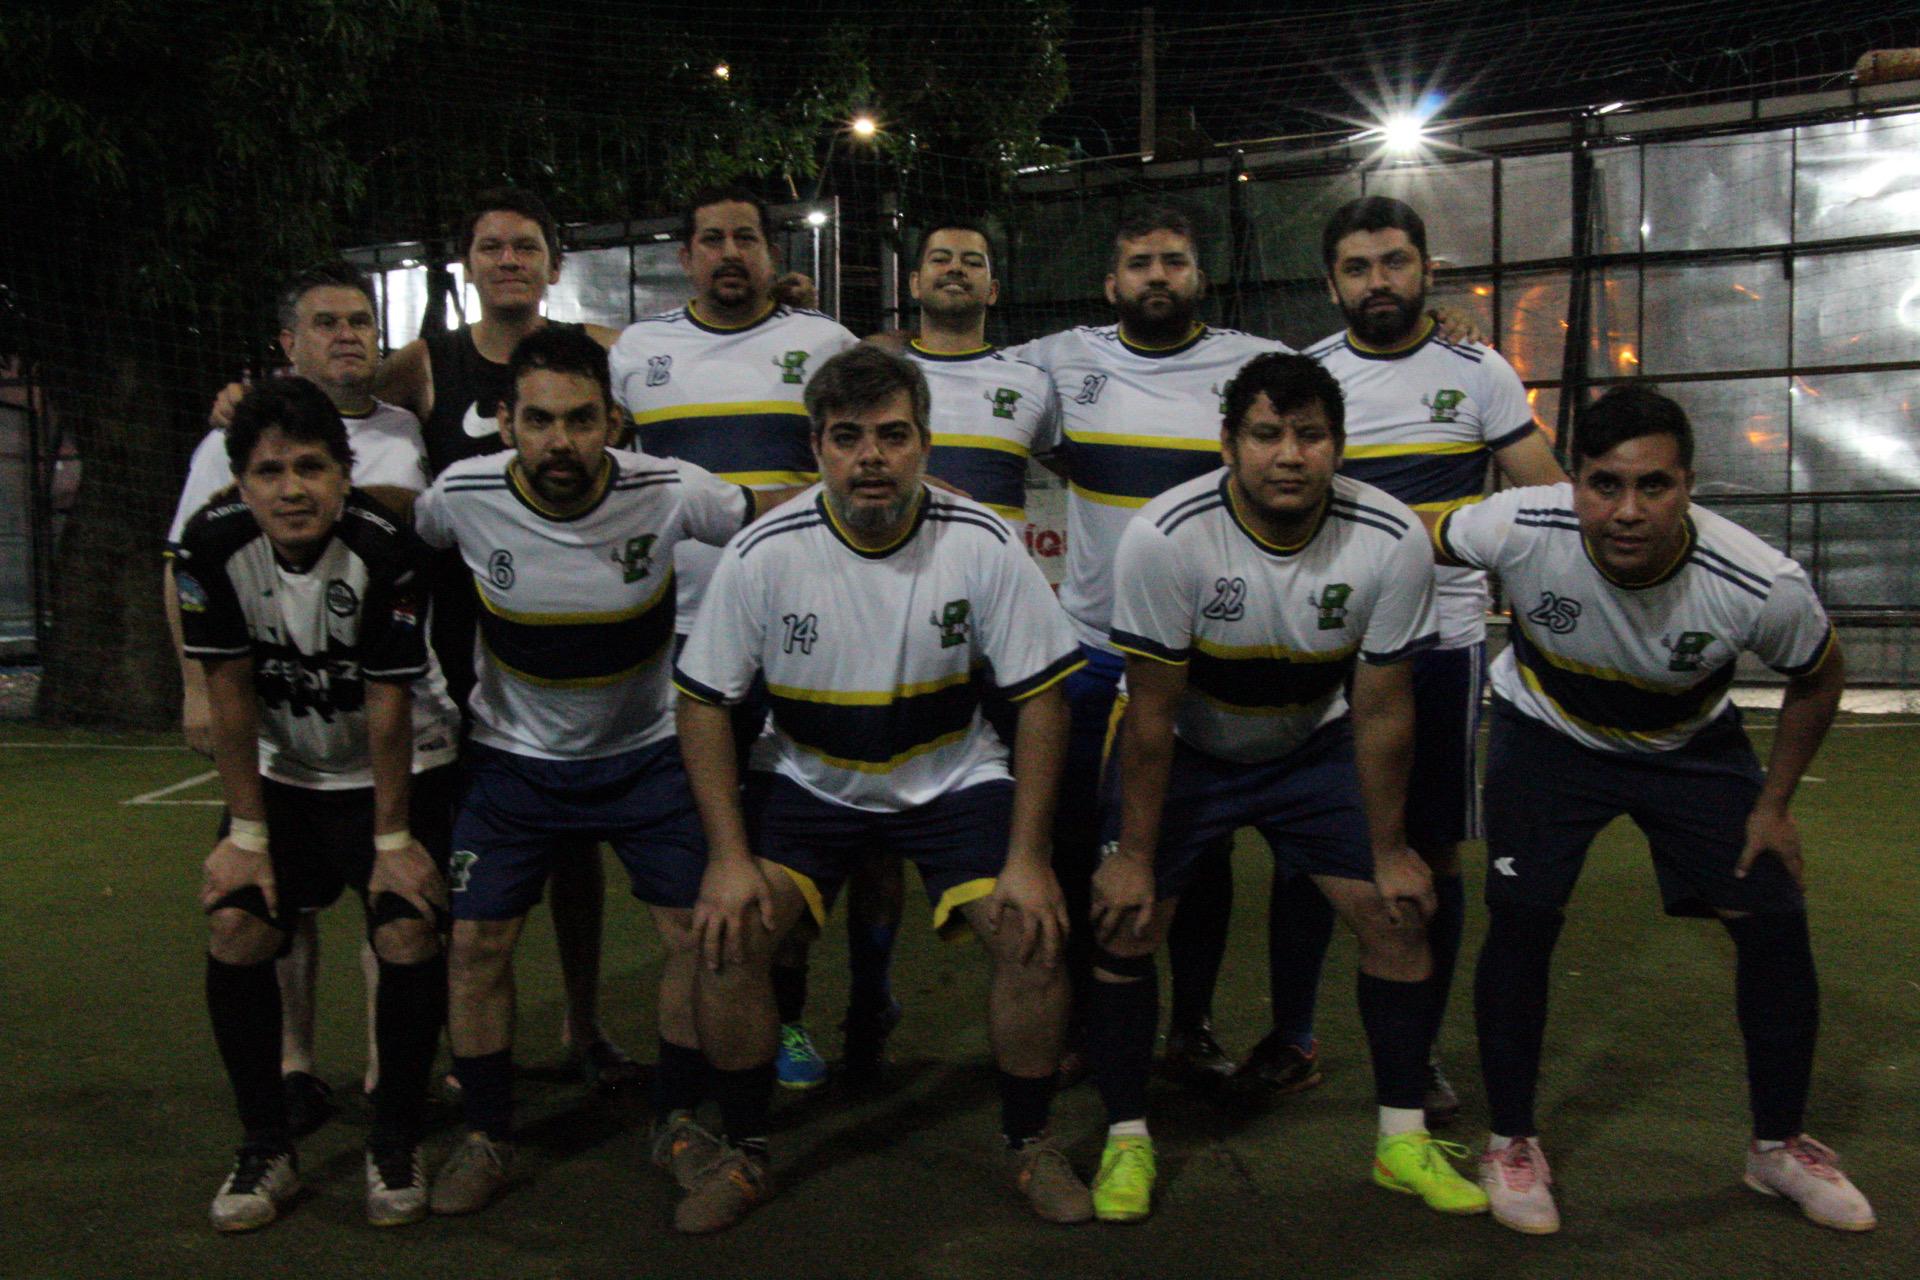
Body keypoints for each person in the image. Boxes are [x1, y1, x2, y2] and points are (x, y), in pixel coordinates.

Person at [210, 191, 640, 1088]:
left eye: (526, 246)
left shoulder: (600, 351)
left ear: (553, 263)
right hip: (447, 638)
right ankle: (443, 1042)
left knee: (573, 850)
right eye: (491, 246)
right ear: (468, 265)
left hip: (562, 624)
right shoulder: (427, 362)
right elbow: (336, 401)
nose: (509, 260)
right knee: (455, 860)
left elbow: (679, 370)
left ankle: (582, 1023)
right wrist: (252, 401)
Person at [1427, 385, 1873, 1235]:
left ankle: (1777, 1147)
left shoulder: (1758, 581)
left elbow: (1819, 675)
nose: (1627, 511)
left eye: (1654, 486)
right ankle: (1511, 1140)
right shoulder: (1518, 524)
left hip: (1688, 746)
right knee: (1521, 917)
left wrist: (1774, 806)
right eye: (1604, 485)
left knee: (1775, 920)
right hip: (1548, 734)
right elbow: (1406, 535)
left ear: (1688, 486)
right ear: (1574, 484)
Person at [671, 344, 1089, 1234]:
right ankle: (744, 1149)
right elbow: (703, 703)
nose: (871, 456)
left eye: (893, 436)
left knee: (1033, 935)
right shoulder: (762, 552)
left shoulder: (982, 541)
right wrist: (727, 858)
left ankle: (1030, 1142)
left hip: (949, 772)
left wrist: (1030, 858)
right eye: (848, 436)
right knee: (727, 938)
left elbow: (1043, 700)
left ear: (925, 444)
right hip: (809, 776)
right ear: (816, 447)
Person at [1086, 352, 1487, 1222]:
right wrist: (1135, 858)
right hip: (1191, 746)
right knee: (1127, 920)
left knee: (1398, 914)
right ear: (1228, 443)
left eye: (1310, 435)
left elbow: (1383, 710)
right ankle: (1125, 1141)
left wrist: (1390, 850)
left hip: (1310, 742)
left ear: (1339, 445)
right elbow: (1150, 717)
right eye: (1267, 434)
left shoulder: (1390, 537)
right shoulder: (1165, 535)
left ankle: (1402, 1141)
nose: (1290, 455)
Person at [410, 326, 795, 1217]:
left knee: (700, 937)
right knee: (474, 945)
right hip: (514, 760)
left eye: (581, 420)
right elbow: (400, 527)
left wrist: (876, 489)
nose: (561, 441)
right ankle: (488, 1133)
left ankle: (677, 1119)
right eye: (540, 420)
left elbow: (769, 510)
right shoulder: (463, 494)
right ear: (505, 421)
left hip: (647, 756)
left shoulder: (669, 488)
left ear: (613, 422)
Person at [1257, 197, 1568, 1118]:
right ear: (1332, 283)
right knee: (1303, 848)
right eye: (1357, 267)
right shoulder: (1311, 376)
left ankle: (1418, 1050)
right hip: (1324, 642)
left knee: (1431, 851)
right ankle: (1292, 1038)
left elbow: (1548, 500)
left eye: (1394, 261)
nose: (1378, 281)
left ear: (1427, 270)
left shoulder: (1479, 370)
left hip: (1439, 645)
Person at [1004, 205, 1291, 1088]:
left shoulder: (1250, 364)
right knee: (1078, 845)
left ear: (1199, 278)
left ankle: (1191, 1026)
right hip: (1095, 650)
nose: (1157, 276)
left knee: (1200, 848)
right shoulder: (1062, 357)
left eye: (1173, 260)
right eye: (1139, 263)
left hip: (1206, 654)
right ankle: (1084, 1018)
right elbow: (958, 363)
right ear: (1111, 283)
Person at [174, 378, 459, 1231]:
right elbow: (228, 692)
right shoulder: (210, 546)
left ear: (343, 473)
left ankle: (395, 1138)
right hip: (287, 771)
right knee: (237, 925)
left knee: (406, 929)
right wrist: (246, 834)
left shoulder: (386, 549)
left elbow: (388, 703)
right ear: (241, 482)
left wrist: (394, 842)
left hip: (401, 765)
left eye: (311, 467)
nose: (291, 489)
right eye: (270, 472)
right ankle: (265, 1146)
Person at [166, 261, 433, 1133]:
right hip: (290, 724)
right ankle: (290, 1073)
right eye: (325, 322)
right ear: (288, 342)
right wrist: (194, 686)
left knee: (399, 916)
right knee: (267, 909)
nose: (346, 335)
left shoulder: (408, 422)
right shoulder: (229, 449)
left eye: (360, 321)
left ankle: (388, 1086)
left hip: (385, 701)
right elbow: (187, 566)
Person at [609, 185, 860, 1090]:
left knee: (784, 837)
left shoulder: (825, 344)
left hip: (795, 632)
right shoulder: (637, 353)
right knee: (696, 846)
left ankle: (783, 1018)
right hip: (674, 634)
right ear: (684, 256)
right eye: (711, 238)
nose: (728, 252)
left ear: (769, 252)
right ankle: (706, 1017)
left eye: (745, 238)